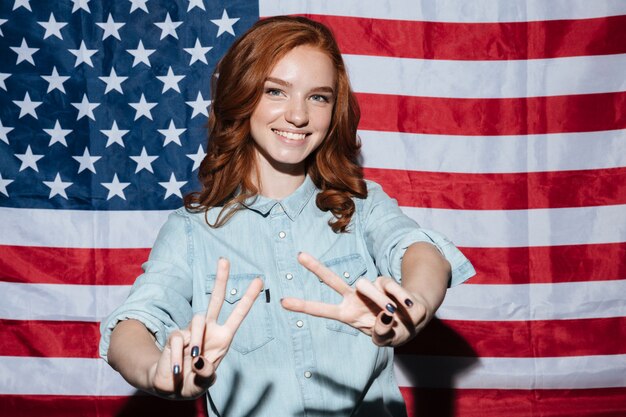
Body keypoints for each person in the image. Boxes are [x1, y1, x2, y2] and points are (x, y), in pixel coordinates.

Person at [99, 16, 475, 417]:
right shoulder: (193, 229)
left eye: (319, 97)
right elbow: (133, 325)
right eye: (276, 91)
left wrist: (413, 303)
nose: (298, 116)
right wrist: (158, 369)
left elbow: (418, 250)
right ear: (241, 96)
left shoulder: (360, 205)